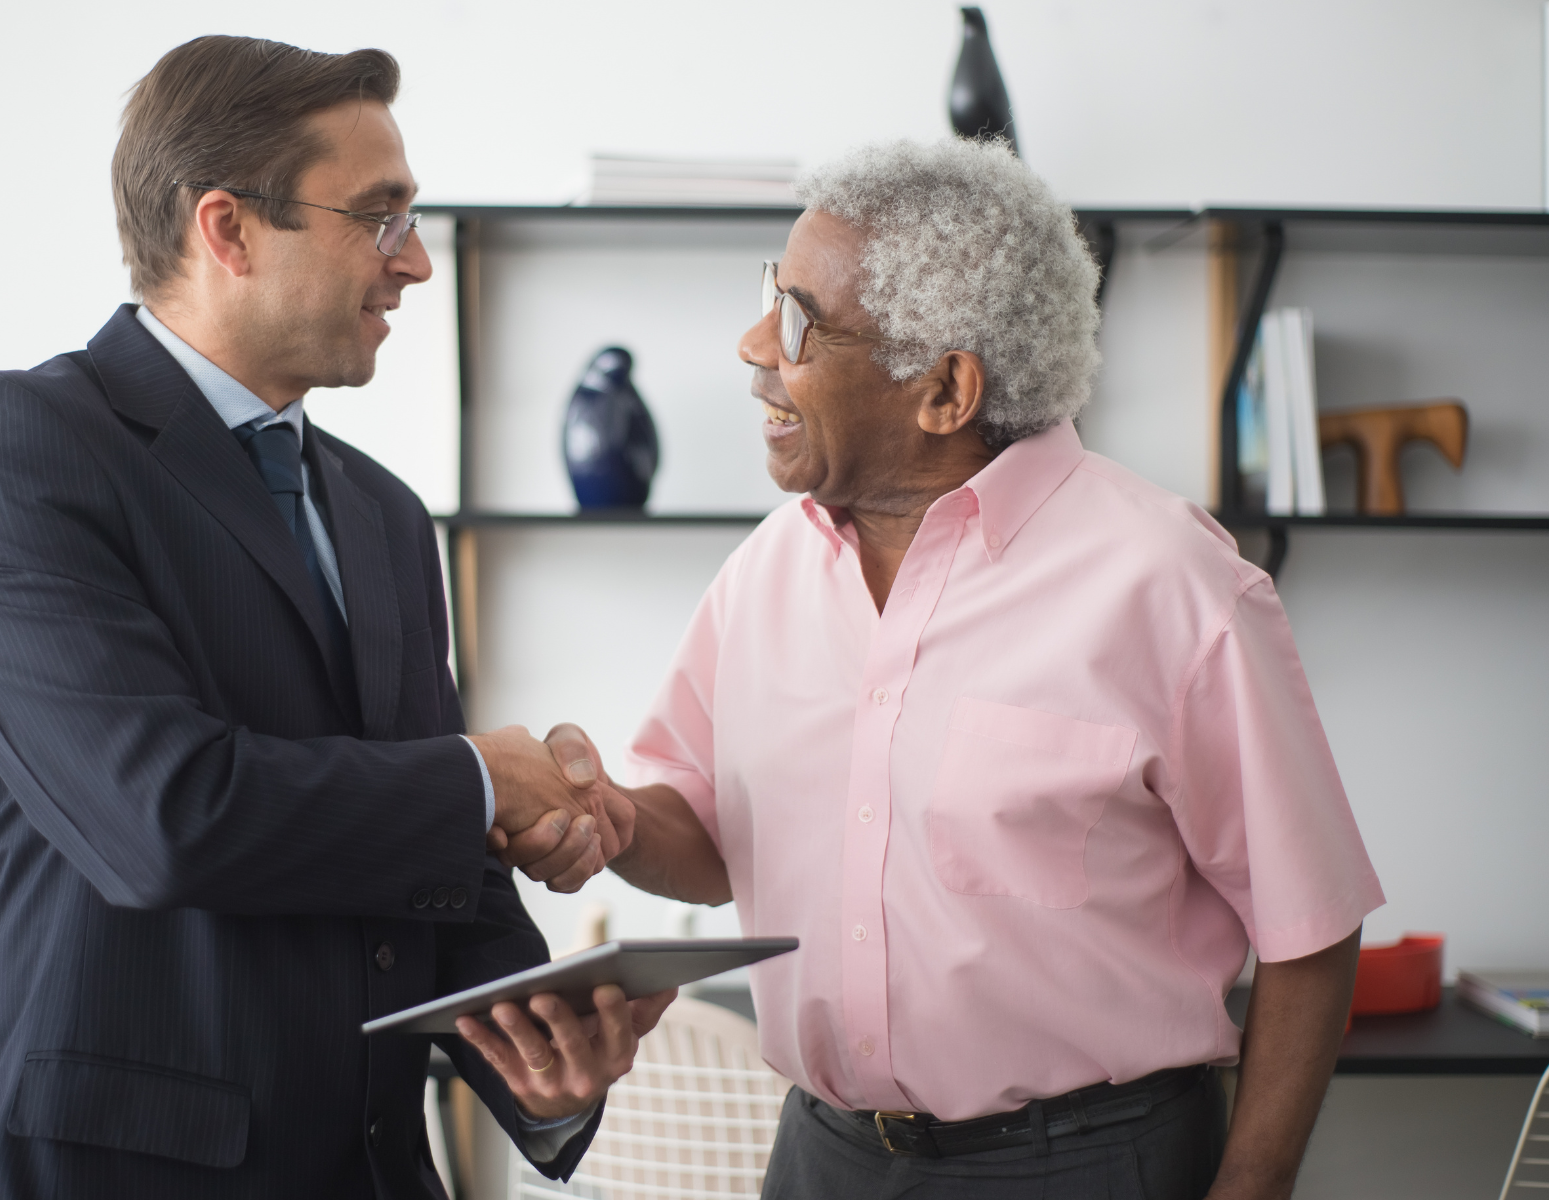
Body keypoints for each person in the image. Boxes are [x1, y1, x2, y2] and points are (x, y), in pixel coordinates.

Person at [551, 139, 1383, 1199]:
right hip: (822, 1158)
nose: (755, 343)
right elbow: (705, 839)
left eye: (799, 320)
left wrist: (1251, 1189)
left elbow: (1311, 926)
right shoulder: (764, 572)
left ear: (945, 389)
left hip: (1087, 1166)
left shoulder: (1172, 586)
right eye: (769, 293)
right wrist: (611, 819)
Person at [0, 36, 665, 1200]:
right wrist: (481, 780)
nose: (412, 261)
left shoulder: (385, 515)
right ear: (228, 229)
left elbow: (441, 873)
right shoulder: (18, 448)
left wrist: (544, 1073)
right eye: (378, 217)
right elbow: (163, 814)